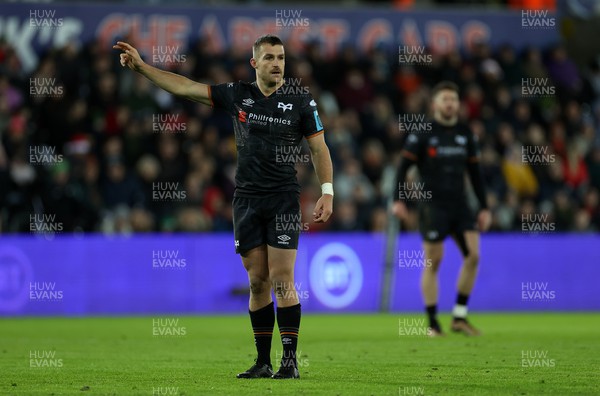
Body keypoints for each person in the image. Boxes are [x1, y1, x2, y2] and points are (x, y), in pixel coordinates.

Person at [113, 35, 334, 378]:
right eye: (270, 57)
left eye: (281, 57)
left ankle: (289, 363)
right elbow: (186, 88)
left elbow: (319, 149)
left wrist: (327, 191)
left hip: (283, 199)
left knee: (281, 278)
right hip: (245, 200)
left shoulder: (301, 101)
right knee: (257, 281)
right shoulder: (237, 95)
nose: (277, 63)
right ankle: (263, 362)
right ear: (255, 63)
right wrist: (142, 68)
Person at [393, 81, 491, 337]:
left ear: (458, 104)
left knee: (474, 256)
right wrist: (398, 200)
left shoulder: (466, 133)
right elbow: (402, 169)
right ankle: (433, 323)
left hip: (460, 205)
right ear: (435, 104)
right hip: (433, 206)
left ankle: (459, 316)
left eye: (454, 100)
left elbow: (476, 173)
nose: (450, 104)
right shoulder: (423, 133)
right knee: (434, 261)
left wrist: (484, 207)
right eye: (445, 99)